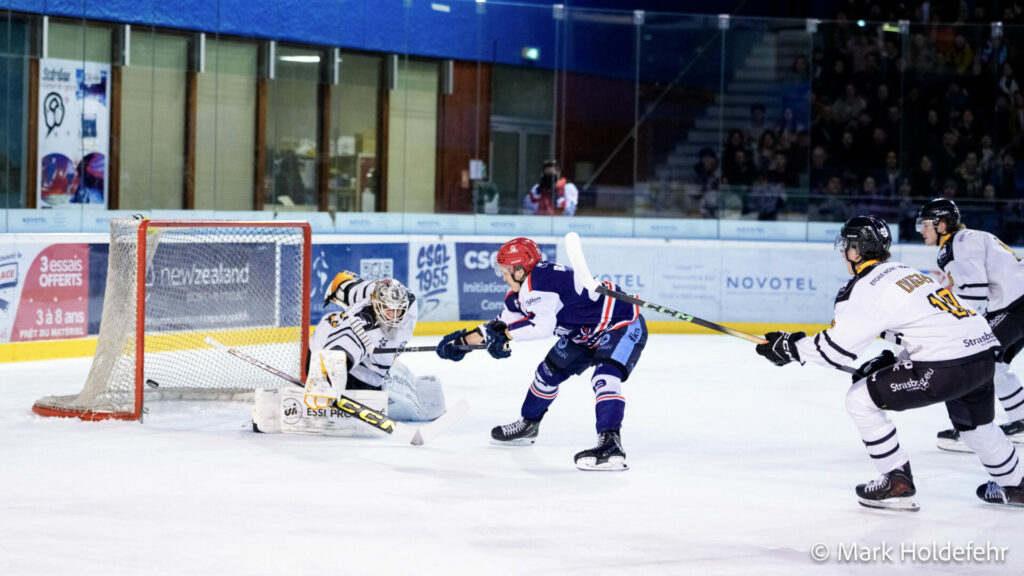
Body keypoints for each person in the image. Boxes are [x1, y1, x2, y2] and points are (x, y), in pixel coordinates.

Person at [755, 215, 1023, 509]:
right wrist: (892, 360)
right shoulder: (905, 272)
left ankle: (896, 480)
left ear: (856, 251)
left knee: (859, 399)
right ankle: (1015, 485)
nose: (843, 252)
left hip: (944, 367)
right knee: (977, 428)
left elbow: (834, 351)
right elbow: (926, 327)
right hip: (982, 357)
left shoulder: (862, 287)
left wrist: (789, 347)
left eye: (846, 245)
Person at [434, 237, 647, 471]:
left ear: (520, 269)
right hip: (582, 335)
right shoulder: (520, 294)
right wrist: (462, 342)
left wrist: (506, 335)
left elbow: (541, 326)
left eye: (505, 271)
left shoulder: (541, 281)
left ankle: (610, 444)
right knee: (546, 374)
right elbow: (499, 324)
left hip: (620, 324)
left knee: (604, 377)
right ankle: (529, 424)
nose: (502, 277)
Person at [916, 198, 1024, 451]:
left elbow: (974, 295)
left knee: (971, 360)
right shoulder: (969, 238)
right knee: (996, 367)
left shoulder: (957, 245)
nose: (921, 230)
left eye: (925, 224)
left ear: (942, 225)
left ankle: (971, 430)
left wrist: (960, 331)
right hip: (1018, 305)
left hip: (1015, 306)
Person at [302, 272, 441, 422]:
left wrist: (342, 284)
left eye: (398, 310)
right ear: (376, 305)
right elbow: (341, 349)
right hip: (346, 366)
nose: (394, 316)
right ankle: (318, 382)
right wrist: (326, 381)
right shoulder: (362, 324)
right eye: (388, 309)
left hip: (374, 369)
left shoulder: (408, 302)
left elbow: (359, 286)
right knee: (330, 328)